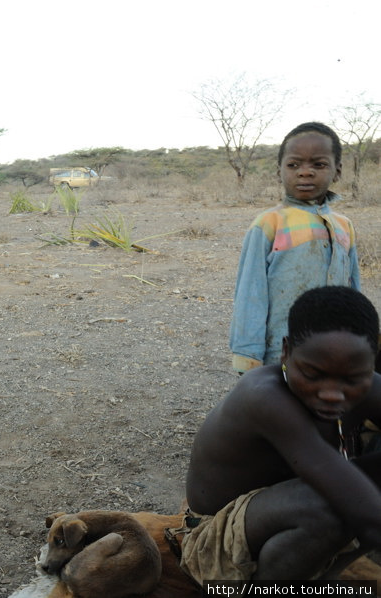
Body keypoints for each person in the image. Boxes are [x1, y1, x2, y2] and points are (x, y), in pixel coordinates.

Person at [179, 286, 381, 583]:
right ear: (286, 351)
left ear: (372, 364)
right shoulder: (264, 397)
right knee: (333, 507)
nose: (332, 394)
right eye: (312, 374)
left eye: (353, 379)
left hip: (286, 517)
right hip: (216, 542)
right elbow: (353, 502)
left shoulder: (371, 388)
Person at [229, 122, 360, 374]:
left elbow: (353, 290)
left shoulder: (344, 226)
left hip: (335, 349)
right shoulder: (269, 224)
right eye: (294, 165)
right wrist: (248, 357)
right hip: (280, 354)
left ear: (337, 171)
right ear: (279, 171)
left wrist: (359, 338)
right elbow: (250, 294)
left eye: (318, 164)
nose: (305, 172)